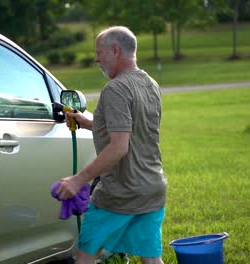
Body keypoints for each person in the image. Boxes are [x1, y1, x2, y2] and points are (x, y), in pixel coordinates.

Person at [55, 26, 167, 264]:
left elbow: (119, 147)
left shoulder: (115, 89)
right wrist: (88, 122)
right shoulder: (151, 84)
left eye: (99, 52)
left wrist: (78, 179)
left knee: (85, 255)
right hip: (152, 188)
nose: (96, 58)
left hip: (120, 193)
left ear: (115, 51)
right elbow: (131, 130)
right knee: (152, 260)